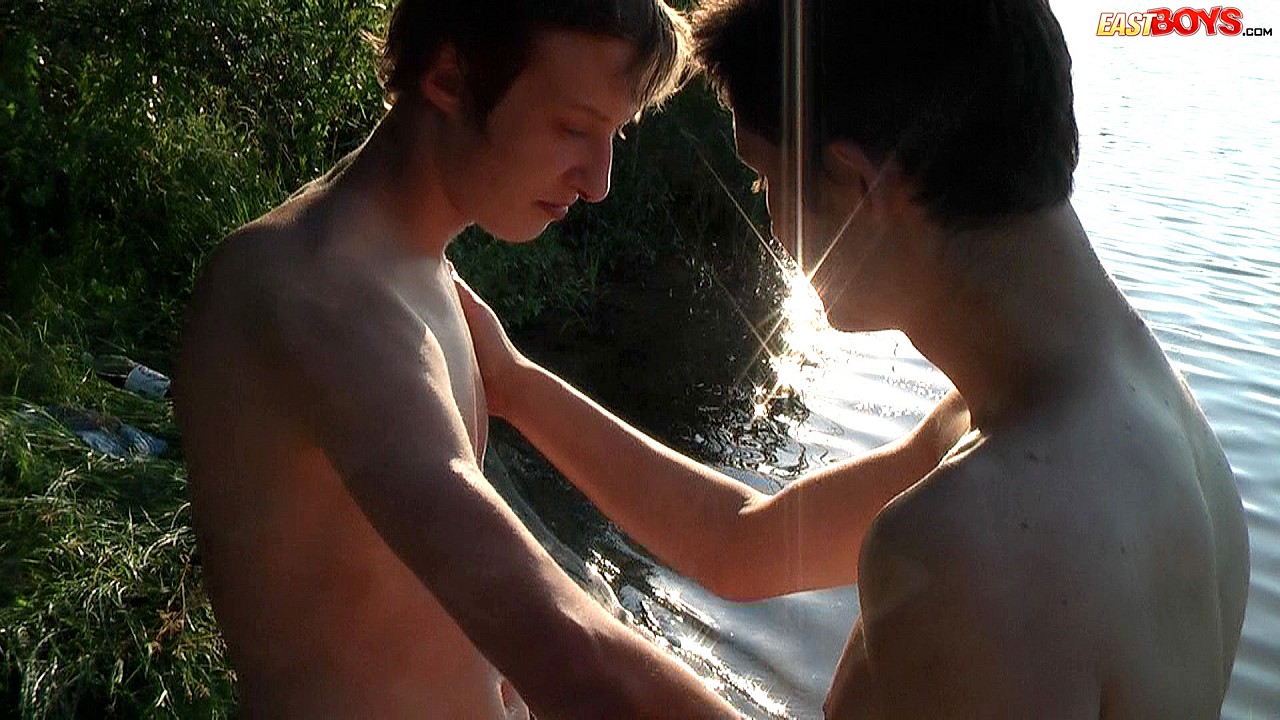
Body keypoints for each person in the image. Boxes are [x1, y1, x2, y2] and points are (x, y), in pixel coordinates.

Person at [455, 0, 1251, 717]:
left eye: (764, 177)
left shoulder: (974, 548)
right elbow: (745, 543)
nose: (772, 222)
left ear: (857, 185)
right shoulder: (1151, 422)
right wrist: (512, 383)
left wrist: (562, 652)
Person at [173, 1, 743, 717]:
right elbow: (571, 659)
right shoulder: (318, 298)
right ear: (450, 76)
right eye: (574, 127)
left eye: (615, 135)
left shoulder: (415, 267)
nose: (598, 182)